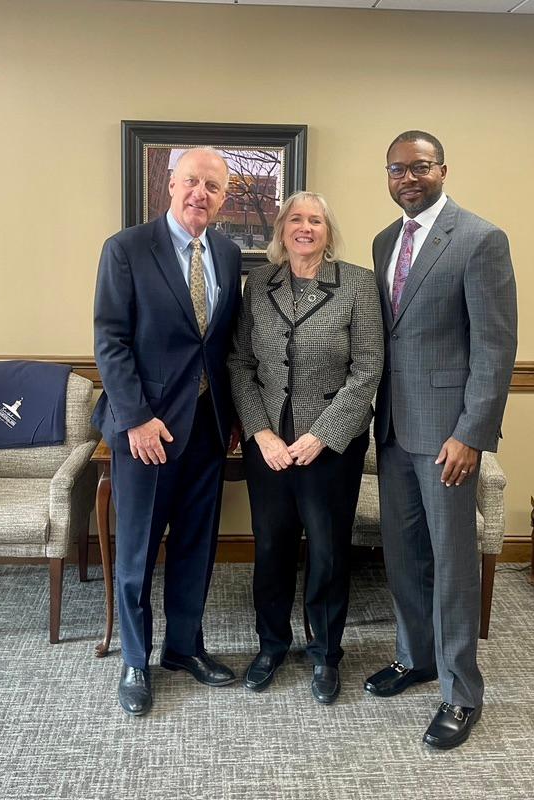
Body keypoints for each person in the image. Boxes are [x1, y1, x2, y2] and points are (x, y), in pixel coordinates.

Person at [365, 131, 517, 748]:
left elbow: (495, 347)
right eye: (397, 169)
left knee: (453, 563)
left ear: (443, 170)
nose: (408, 177)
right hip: (395, 431)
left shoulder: (480, 239)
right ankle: (416, 656)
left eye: (420, 167)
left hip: (449, 439)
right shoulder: (382, 242)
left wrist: (472, 435)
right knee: (403, 556)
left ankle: (459, 692)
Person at [93, 148, 242, 716]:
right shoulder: (127, 249)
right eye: (190, 182)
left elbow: (221, 345)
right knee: (136, 551)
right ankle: (136, 658)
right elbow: (111, 339)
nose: (199, 193)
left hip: (206, 428)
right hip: (145, 430)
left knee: (195, 547)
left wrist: (230, 417)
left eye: (212, 185)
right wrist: (133, 418)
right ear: (170, 187)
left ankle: (185, 648)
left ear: (224, 196)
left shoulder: (227, 255)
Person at [228, 191, 383, 704]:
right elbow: (240, 364)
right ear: (281, 229)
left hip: (332, 447)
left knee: (328, 551)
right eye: (295, 218)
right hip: (269, 443)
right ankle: (271, 645)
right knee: (271, 547)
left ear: (328, 231)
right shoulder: (259, 286)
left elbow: (367, 370)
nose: (305, 227)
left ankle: (325, 653)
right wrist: (262, 433)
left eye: (315, 220)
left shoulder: (358, 284)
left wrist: (322, 435)